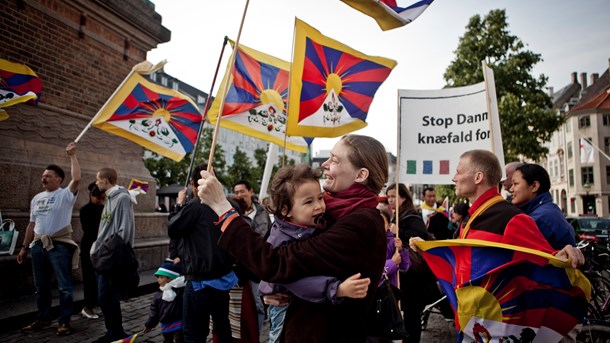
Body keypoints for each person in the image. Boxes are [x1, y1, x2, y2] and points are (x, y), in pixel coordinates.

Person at [197, 134, 389, 341]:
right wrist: (275, 285)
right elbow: (280, 255)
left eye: (334, 160)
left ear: (360, 175)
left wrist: (222, 207)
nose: (325, 165)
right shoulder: (334, 211)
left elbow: (277, 261)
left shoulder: (361, 223)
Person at [259, 164, 371, 343]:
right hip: (284, 307)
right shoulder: (281, 240)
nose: (320, 206)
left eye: (320, 198)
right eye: (309, 202)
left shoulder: (311, 225)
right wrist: (337, 289)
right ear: (285, 210)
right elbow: (295, 281)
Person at [168, 165, 237, 343]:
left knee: (194, 332)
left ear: (193, 184)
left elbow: (174, 228)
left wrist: (179, 204)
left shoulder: (195, 205)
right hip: (222, 278)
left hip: (201, 279)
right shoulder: (228, 205)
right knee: (222, 326)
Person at [17, 142, 81, 336]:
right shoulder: (36, 198)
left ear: (59, 179)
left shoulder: (65, 195)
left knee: (64, 287)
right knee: (41, 287)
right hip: (37, 246)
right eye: (43, 175)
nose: (43, 178)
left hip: (58, 246)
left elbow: (77, 178)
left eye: (48, 176)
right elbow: (31, 225)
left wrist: (73, 156)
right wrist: (24, 247)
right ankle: (43, 319)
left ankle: (64, 322)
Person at [386, 183, 442, 343]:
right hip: (405, 273)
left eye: (393, 196)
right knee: (408, 313)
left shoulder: (411, 215)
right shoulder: (398, 215)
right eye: (388, 196)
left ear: (403, 197)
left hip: (414, 274)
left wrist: (399, 232)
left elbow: (421, 237)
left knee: (412, 314)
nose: (390, 199)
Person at [91, 167, 136, 343]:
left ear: (105, 180)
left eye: (97, 179)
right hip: (103, 254)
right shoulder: (109, 198)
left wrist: (108, 252)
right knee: (106, 297)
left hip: (112, 256)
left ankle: (116, 333)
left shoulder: (123, 198)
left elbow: (124, 230)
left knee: (106, 296)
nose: (96, 183)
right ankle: (115, 332)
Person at [233, 179, 272, 331]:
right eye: (236, 192)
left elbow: (269, 236)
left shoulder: (263, 212)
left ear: (250, 191)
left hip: (259, 265)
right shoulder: (235, 213)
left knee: (258, 302)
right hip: (241, 266)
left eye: (242, 191)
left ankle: (257, 330)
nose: (240, 195)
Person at [509, 163, 576, 250]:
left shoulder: (540, 219)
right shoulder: (547, 211)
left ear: (534, 186)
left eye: (515, 184)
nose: (511, 189)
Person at [79, 182, 106, 319]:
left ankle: (94, 305)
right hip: (89, 246)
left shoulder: (103, 208)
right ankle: (87, 307)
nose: (101, 201)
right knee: (89, 277)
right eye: (99, 198)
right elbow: (90, 230)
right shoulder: (85, 210)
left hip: (100, 246)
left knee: (98, 278)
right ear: (91, 196)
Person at [144, 262, 186, 343]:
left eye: (161, 277)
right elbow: (154, 312)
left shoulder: (180, 291)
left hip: (179, 323)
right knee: (167, 340)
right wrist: (149, 325)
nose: (158, 280)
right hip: (166, 326)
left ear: (170, 279)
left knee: (180, 340)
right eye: (158, 277)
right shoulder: (157, 295)